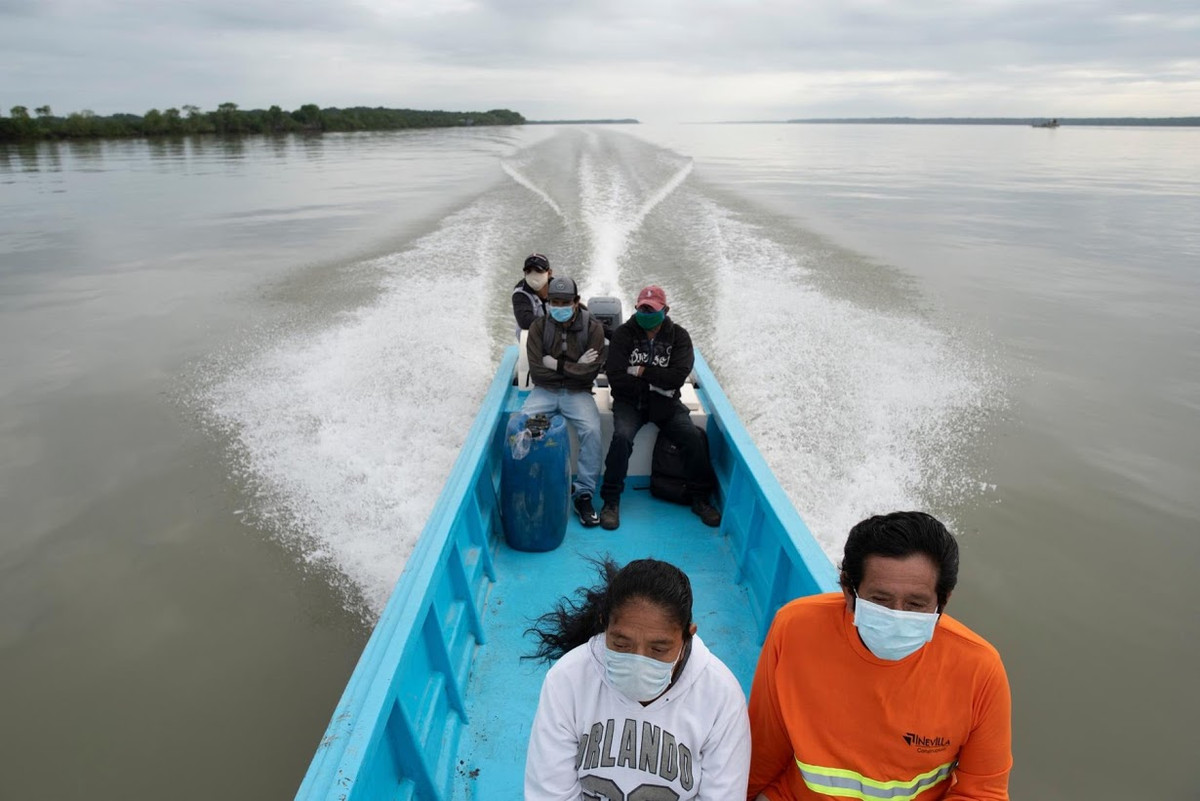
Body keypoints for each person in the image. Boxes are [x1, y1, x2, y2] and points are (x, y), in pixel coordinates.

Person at [746, 511, 1012, 801]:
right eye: (880, 600)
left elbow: (981, 793)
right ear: (849, 590)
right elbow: (763, 747)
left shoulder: (979, 669)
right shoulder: (795, 629)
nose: (897, 615)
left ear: (943, 600)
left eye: (915, 604)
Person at [525, 558, 751, 800]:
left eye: (659, 649)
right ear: (605, 626)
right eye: (621, 644)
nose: (638, 662)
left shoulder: (721, 695)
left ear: (687, 636)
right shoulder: (568, 679)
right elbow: (550, 793)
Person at [598, 285, 720, 531]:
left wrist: (642, 371)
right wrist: (654, 384)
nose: (646, 313)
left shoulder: (679, 337)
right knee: (621, 438)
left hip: (667, 404)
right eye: (642, 308)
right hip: (630, 403)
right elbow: (616, 377)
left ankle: (700, 498)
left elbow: (676, 378)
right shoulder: (623, 334)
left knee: (692, 437)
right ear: (636, 308)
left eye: (651, 309)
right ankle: (611, 500)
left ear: (665, 310)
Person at [524, 276, 607, 527]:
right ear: (548, 302)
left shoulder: (593, 328)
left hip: (577, 393)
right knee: (522, 425)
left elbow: (591, 372)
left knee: (592, 431)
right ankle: (533, 484)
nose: (559, 306)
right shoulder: (539, 327)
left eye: (565, 302)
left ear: (576, 302)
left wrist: (558, 365)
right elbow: (538, 372)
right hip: (545, 391)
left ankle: (583, 493)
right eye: (554, 302)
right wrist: (576, 365)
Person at [513, 253, 552, 339]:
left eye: (538, 271)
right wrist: (556, 324)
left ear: (549, 273)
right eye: (529, 271)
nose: (533, 275)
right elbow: (525, 321)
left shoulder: (559, 287)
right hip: (533, 340)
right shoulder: (520, 293)